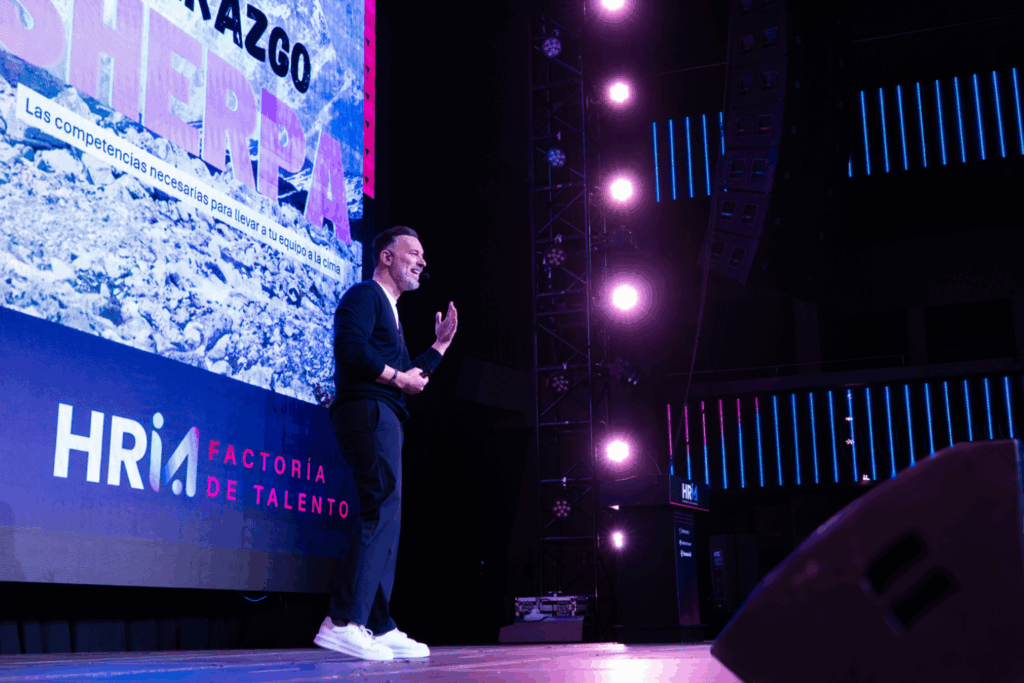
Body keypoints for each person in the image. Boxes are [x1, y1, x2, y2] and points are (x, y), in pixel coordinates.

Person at [313, 226, 457, 661]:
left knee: (388, 513)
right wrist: (397, 378)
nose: (422, 261)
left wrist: (440, 345)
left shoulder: (390, 312)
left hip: (385, 413)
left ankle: (377, 622)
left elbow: (407, 378)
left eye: (424, 254)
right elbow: (350, 350)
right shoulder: (364, 295)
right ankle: (342, 621)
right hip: (367, 412)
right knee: (381, 507)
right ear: (387, 257)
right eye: (414, 252)